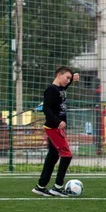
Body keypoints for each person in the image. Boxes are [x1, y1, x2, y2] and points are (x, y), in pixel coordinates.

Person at [32, 66, 79, 197]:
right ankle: (57, 187)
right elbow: (46, 109)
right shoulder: (51, 89)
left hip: (55, 127)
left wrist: (71, 80)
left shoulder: (60, 89)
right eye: (67, 78)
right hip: (53, 127)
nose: (68, 80)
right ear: (59, 75)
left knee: (53, 156)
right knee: (67, 154)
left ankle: (40, 186)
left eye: (70, 78)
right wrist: (58, 122)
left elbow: (62, 92)